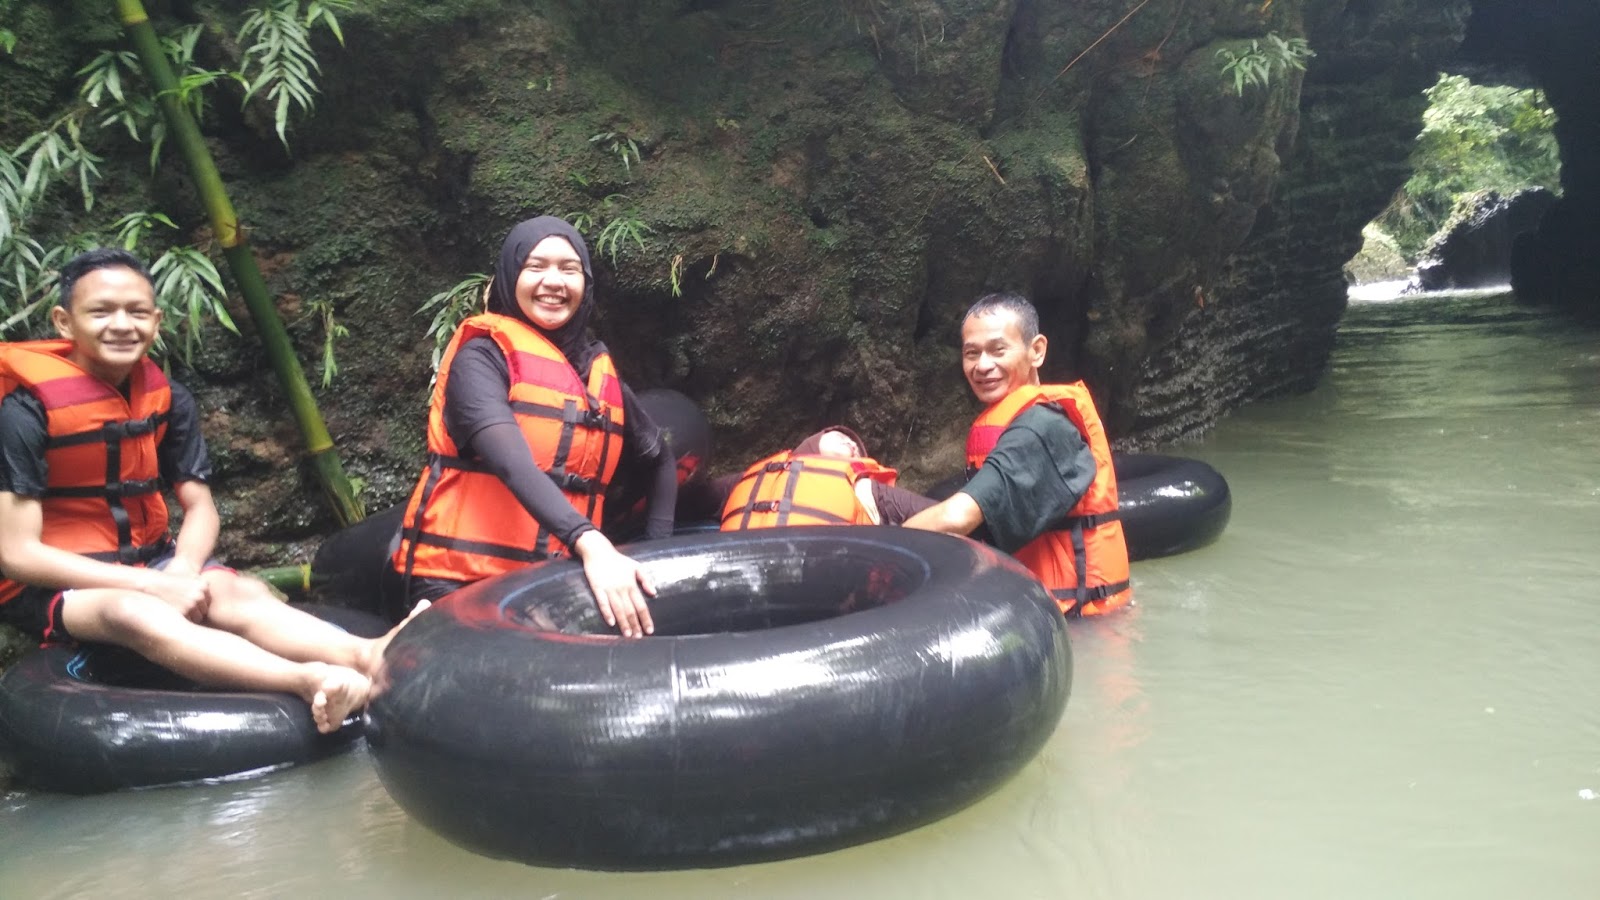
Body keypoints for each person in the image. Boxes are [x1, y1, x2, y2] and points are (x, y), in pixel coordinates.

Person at [0, 248, 405, 733]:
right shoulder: (23, 412)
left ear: (157, 320)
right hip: (55, 587)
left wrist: (184, 570)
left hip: (152, 564)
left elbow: (200, 507)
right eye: (101, 311)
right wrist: (154, 585)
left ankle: (367, 654)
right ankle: (309, 680)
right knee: (131, 611)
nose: (122, 325)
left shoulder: (168, 398)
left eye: (136, 312)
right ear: (65, 322)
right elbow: (16, 555)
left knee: (235, 590)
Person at [390, 216, 675, 638]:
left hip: (554, 582)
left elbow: (660, 458)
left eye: (569, 269)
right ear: (510, 275)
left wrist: (656, 554)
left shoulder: (594, 371)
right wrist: (592, 542)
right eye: (536, 266)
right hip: (461, 581)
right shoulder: (480, 358)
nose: (554, 281)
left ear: (586, 283)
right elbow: (513, 463)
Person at [903, 292, 1132, 617]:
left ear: (1036, 351)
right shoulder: (1020, 421)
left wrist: (887, 548)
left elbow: (959, 518)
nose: (982, 365)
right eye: (972, 353)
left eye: (998, 350)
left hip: (1075, 622)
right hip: (1042, 608)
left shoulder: (1042, 428)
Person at [720, 426, 933, 529]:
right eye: (842, 437)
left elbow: (937, 514)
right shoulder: (751, 479)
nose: (851, 444)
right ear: (815, 440)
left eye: (856, 450)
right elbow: (692, 495)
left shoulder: (864, 490)